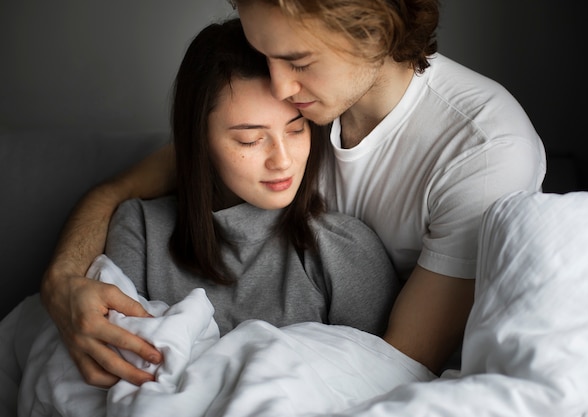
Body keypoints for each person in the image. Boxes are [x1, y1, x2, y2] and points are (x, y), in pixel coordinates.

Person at [40, 0, 546, 388]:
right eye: (265, 56)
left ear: (370, 32)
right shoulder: (299, 101)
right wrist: (61, 281)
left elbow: (398, 364)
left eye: (297, 60)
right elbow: (121, 189)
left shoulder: (482, 150)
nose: (278, 87)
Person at [104, 17, 399, 339]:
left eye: (296, 129)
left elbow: (381, 375)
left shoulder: (344, 250)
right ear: (199, 140)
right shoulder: (140, 230)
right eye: (250, 140)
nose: (283, 161)